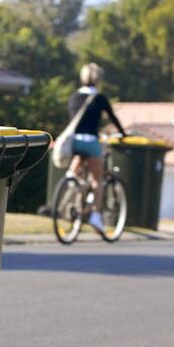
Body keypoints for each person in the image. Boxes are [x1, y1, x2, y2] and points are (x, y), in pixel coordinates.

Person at [67, 63, 125, 232]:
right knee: (97, 180)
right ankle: (95, 216)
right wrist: (123, 133)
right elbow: (113, 118)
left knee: (78, 164)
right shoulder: (99, 99)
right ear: (98, 79)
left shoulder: (74, 97)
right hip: (90, 141)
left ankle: (72, 180)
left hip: (74, 141)